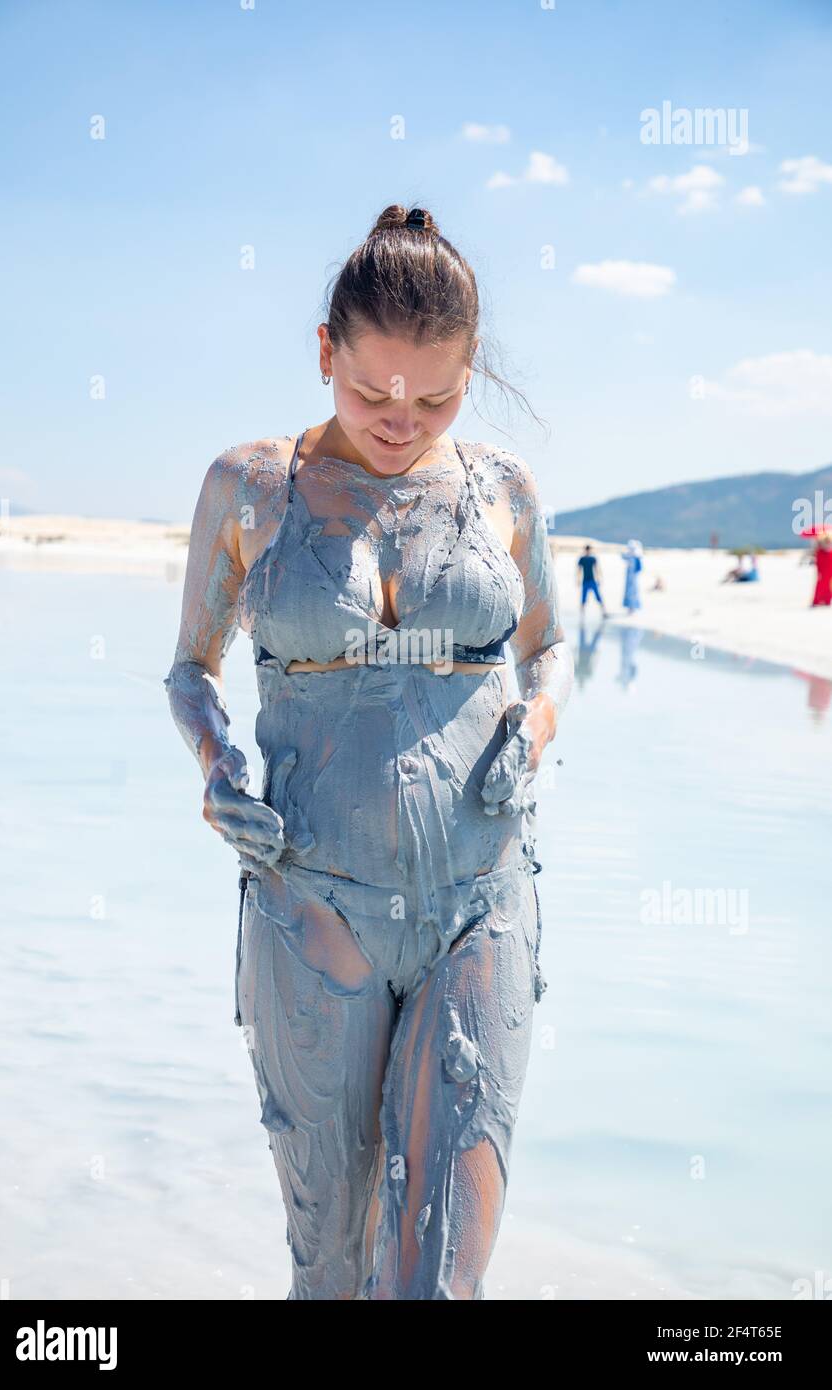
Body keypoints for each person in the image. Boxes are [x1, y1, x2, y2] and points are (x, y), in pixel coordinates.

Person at [164, 204, 574, 1301]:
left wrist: (533, 734)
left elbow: (549, 654)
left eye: (436, 395)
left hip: (477, 908)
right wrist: (215, 770)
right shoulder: (249, 488)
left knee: (434, 1279)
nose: (402, 419)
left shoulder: (503, 492)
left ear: (468, 370)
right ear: (323, 354)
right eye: (371, 389)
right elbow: (189, 671)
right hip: (309, 913)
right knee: (329, 1266)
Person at [577, 544, 606, 612]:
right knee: (583, 598)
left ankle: (604, 612)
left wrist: (599, 578)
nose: (588, 551)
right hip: (585, 581)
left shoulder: (593, 558)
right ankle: (582, 616)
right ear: (585, 550)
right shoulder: (582, 559)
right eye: (587, 550)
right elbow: (579, 570)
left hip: (592, 580)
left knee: (598, 597)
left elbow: (597, 569)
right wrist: (578, 579)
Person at [621, 538, 643, 612]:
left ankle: (633, 607)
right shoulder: (630, 556)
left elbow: (639, 569)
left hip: (633, 578)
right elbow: (622, 556)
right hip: (629, 577)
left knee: (633, 592)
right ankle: (630, 607)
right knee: (629, 592)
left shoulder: (636, 558)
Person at [810, 535, 832, 606]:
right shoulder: (820, 552)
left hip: (829, 573)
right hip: (822, 573)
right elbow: (818, 563)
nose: (828, 544)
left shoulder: (830, 552)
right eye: (826, 542)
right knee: (820, 587)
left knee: (828, 587)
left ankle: (826, 600)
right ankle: (817, 600)